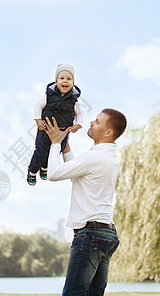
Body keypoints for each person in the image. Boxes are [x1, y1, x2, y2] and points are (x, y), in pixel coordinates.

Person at [43, 108, 127, 296]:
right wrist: (66, 150)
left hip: (91, 235)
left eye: (97, 121)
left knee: (74, 293)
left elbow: (54, 174)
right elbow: (79, 174)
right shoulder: (108, 155)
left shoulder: (95, 156)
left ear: (108, 132)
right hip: (106, 234)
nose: (91, 122)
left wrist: (55, 143)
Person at [27, 63, 84, 186]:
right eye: (62, 78)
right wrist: (38, 120)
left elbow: (80, 113)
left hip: (63, 133)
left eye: (69, 79)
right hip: (45, 130)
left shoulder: (73, 101)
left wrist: (78, 124)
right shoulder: (49, 96)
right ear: (56, 81)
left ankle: (44, 167)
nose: (65, 81)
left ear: (73, 82)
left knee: (55, 151)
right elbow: (38, 105)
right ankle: (32, 170)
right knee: (41, 151)